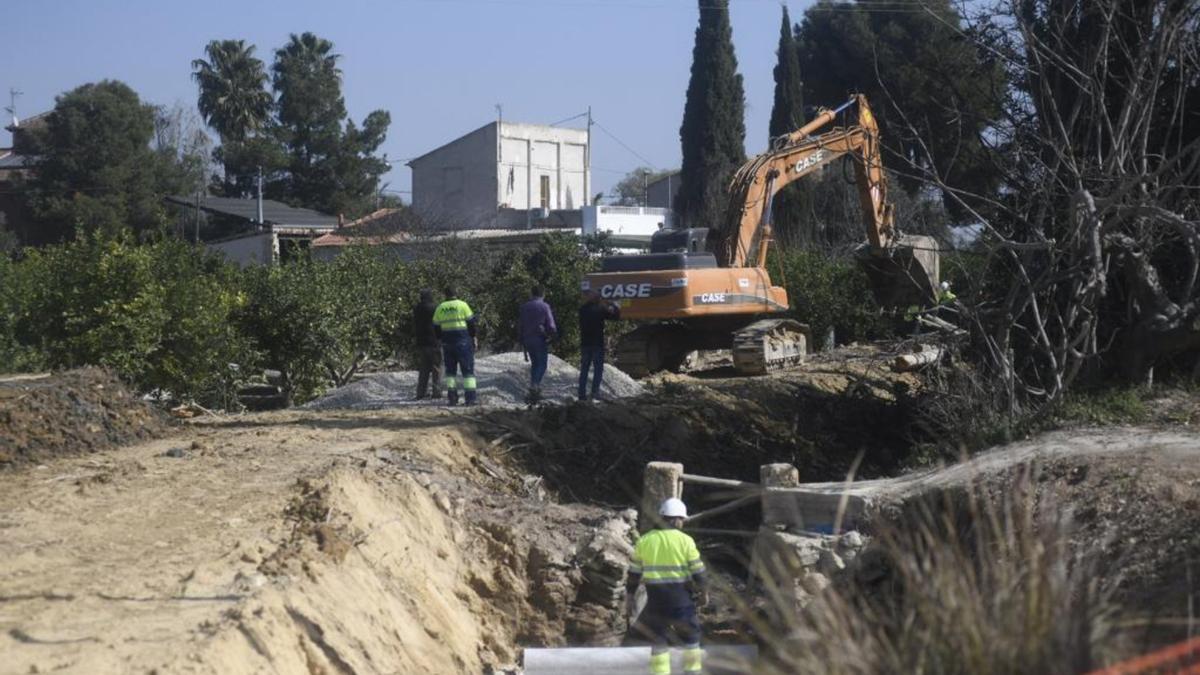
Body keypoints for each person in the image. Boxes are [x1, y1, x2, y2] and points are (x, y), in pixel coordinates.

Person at [626, 498, 707, 675]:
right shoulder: (686, 541)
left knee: (658, 640)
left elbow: (633, 574)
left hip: (655, 602)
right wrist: (704, 593)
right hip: (681, 601)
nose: (683, 523)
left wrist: (629, 596)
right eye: (682, 520)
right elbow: (699, 573)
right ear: (677, 519)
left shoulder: (644, 541)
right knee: (691, 637)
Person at [432, 286, 478, 406]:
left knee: (450, 372)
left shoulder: (440, 308)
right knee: (467, 371)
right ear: (456, 293)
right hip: (463, 342)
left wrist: (440, 340)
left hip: (447, 343)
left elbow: (436, 327)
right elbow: (471, 323)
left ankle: (452, 398)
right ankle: (470, 399)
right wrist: (474, 337)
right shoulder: (463, 305)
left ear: (445, 295)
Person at [578, 289, 620, 401]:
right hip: (597, 343)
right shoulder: (600, 309)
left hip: (585, 343)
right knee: (598, 369)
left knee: (584, 369)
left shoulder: (582, 310)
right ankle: (594, 392)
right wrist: (614, 305)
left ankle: (581, 394)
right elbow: (615, 317)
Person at [518, 285, 557, 402]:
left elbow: (520, 324)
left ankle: (534, 389)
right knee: (542, 364)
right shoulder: (545, 306)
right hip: (539, 339)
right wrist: (553, 334)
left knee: (535, 364)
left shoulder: (524, 307)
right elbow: (551, 325)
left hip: (527, 339)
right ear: (543, 294)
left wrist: (521, 339)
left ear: (531, 294)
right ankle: (534, 386)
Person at [411, 289, 442, 400]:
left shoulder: (416, 309)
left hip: (421, 342)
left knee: (423, 369)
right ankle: (436, 392)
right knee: (436, 368)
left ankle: (420, 393)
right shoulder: (435, 308)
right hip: (434, 342)